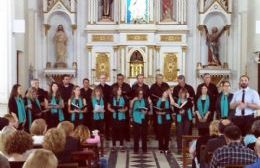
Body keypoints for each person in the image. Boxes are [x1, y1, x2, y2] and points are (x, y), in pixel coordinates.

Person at [111, 73, 131, 141]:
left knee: (125, 123)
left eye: (121, 79)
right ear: (117, 79)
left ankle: (126, 137)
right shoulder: (113, 86)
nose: (120, 80)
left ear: (123, 79)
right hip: (115, 108)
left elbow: (130, 96)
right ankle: (117, 137)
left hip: (125, 106)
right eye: (119, 79)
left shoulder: (127, 86)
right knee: (115, 124)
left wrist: (125, 96)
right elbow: (111, 97)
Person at [108, 86, 128, 152]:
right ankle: (113, 146)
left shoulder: (124, 98)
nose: (120, 91)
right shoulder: (112, 98)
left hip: (121, 116)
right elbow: (108, 107)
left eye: (121, 90)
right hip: (114, 116)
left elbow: (127, 107)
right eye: (119, 90)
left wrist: (123, 110)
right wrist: (112, 110)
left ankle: (121, 145)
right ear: (116, 91)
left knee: (121, 131)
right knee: (113, 131)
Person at [173, 88, 193, 154]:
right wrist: (179, 111)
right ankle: (179, 149)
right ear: (179, 94)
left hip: (187, 118)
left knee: (186, 133)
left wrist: (188, 98)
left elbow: (191, 105)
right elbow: (175, 110)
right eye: (181, 93)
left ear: (185, 93)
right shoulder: (177, 100)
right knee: (179, 133)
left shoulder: (188, 100)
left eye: (184, 93)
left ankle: (185, 148)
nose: (182, 94)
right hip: (179, 117)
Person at [130, 88, 150, 153]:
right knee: (136, 135)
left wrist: (145, 112)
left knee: (144, 134)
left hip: (143, 118)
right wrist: (133, 100)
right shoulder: (135, 100)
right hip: (136, 119)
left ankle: (144, 149)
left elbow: (148, 109)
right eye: (139, 94)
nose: (140, 95)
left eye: (141, 94)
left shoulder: (145, 100)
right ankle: (136, 149)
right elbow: (131, 108)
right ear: (137, 94)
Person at [154, 89, 173, 153]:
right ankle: (161, 147)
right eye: (165, 92)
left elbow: (171, 108)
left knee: (167, 134)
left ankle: (166, 147)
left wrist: (170, 95)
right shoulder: (157, 100)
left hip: (167, 119)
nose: (166, 93)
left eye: (167, 93)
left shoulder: (169, 100)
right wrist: (158, 112)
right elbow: (155, 109)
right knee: (160, 134)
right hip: (160, 118)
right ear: (162, 93)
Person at [97, 74, 111, 140]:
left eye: (104, 78)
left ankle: (107, 135)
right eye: (102, 78)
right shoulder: (97, 87)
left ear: (105, 79)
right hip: (99, 106)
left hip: (107, 107)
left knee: (108, 122)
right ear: (99, 79)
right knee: (100, 122)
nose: (103, 79)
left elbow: (110, 97)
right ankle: (100, 136)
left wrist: (108, 104)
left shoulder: (109, 87)